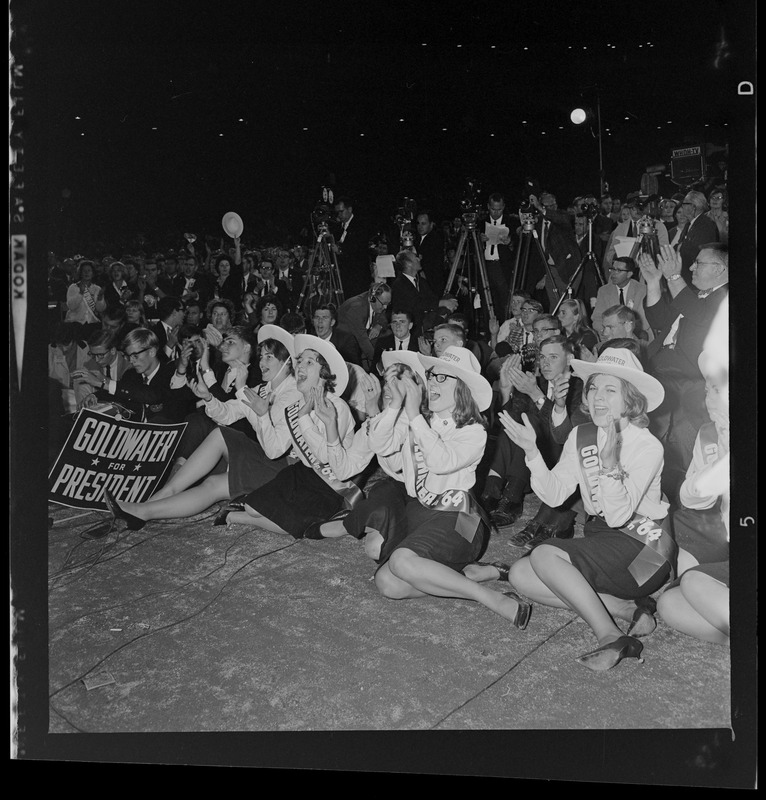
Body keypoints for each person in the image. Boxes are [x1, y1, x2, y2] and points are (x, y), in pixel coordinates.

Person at [499, 347, 676, 671]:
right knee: (521, 574)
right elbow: (554, 496)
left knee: (543, 556)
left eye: (611, 390)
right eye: (594, 387)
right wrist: (531, 452)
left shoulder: (646, 444)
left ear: (631, 399)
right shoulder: (583, 435)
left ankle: (610, 635)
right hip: (602, 539)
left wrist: (609, 467)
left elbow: (619, 517)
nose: (597, 397)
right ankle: (626, 608)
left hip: (644, 551)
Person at [364, 346, 531, 629]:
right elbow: (379, 444)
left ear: (461, 388)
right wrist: (395, 406)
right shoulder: (416, 417)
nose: (432, 383)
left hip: (461, 520)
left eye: (442, 378)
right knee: (388, 584)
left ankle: (492, 599)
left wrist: (415, 415)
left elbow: (441, 461)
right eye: (431, 376)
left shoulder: (473, 430)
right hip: (421, 514)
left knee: (402, 562)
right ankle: (467, 574)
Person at [101, 325, 302, 531]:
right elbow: (228, 414)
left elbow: (273, 449)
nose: (261, 362)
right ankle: (146, 507)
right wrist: (208, 397)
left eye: (269, 357)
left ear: (287, 363)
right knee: (218, 452)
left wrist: (242, 389)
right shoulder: (263, 389)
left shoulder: (293, 394)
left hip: (286, 470)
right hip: (268, 460)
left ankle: (145, 509)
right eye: (261, 356)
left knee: (214, 478)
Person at [224, 334, 360, 537]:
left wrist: (304, 419)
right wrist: (262, 417)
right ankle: (255, 515)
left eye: (310, 362)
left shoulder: (337, 407)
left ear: (324, 374)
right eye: (299, 361)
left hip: (331, 483)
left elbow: (324, 458)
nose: (300, 367)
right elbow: (273, 451)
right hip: (302, 472)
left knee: (297, 526)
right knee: (253, 508)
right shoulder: (294, 406)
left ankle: (241, 518)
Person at [656, 322, 730, 645]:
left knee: (695, 583)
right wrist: (718, 463)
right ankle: (735, 639)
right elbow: (691, 496)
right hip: (730, 548)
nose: (708, 395)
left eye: (717, 389)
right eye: (708, 388)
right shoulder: (709, 435)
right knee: (669, 604)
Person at [641, 244, 728, 498]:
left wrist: (674, 277)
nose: (690, 267)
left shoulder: (728, 296)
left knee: (682, 447)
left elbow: (699, 315)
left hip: (691, 379)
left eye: (698, 263)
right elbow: (660, 321)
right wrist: (654, 282)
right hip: (662, 370)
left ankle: (687, 502)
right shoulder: (694, 296)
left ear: (720, 269)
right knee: (654, 441)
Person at [591, 256, 653, 343]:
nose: (613, 273)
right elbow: (597, 318)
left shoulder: (642, 290)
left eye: (618, 270)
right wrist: (605, 331)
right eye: (612, 269)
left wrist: (624, 332)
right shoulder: (604, 291)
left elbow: (644, 321)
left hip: (635, 335)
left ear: (629, 274)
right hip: (610, 337)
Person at [336, 281, 392, 371]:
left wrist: (379, 326)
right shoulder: (356, 308)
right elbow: (363, 341)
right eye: (383, 304)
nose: (385, 307)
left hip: (360, 335)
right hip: (345, 342)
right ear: (372, 298)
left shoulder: (376, 302)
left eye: (388, 304)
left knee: (387, 334)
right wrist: (380, 364)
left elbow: (383, 318)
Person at [73, 328, 130, 408]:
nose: (96, 360)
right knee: (81, 381)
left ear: (113, 350)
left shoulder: (128, 365)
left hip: (124, 407)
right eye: (93, 354)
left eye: (100, 355)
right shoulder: (89, 366)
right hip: (100, 408)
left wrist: (103, 381)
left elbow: (126, 393)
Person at [675, 190, 720, 285]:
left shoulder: (705, 225)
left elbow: (698, 252)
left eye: (684, 204)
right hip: (687, 277)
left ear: (693, 207)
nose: (682, 207)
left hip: (697, 280)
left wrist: (680, 249)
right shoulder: (690, 224)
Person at [389, 249, 438, 333]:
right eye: (416, 257)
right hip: (410, 329)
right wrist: (440, 303)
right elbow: (415, 305)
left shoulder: (421, 281)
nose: (419, 259)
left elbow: (432, 298)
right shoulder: (399, 285)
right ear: (408, 263)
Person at [333, 195, 372, 299]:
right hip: (344, 275)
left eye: (341, 211)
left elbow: (358, 248)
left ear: (349, 209)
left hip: (357, 276)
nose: (339, 215)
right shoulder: (339, 227)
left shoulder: (360, 225)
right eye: (337, 213)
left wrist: (340, 250)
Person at [413, 209, 446, 297]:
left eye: (423, 223)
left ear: (431, 224)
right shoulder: (416, 239)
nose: (420, 226)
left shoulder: (435, 240)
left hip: (432, 283)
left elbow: (432, 264)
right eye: (418, 223)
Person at [65, 260, 106, 328]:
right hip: (75, 323)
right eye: (84, 271)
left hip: (93, 322)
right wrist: (81, 293)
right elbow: (71, 306)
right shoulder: (73, 287)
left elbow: (100, 309)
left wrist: (100, 298)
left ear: (93, 273)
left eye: (89, 270)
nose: (86, 273)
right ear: (80, 273)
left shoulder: (97, 288)